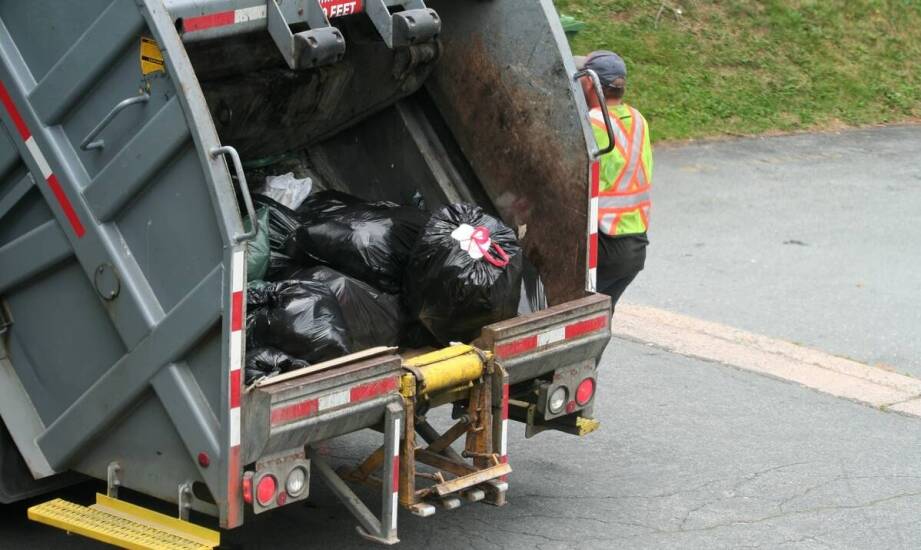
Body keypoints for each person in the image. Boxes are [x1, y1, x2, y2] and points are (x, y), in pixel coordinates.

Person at [576, 51, 652, 308]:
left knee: (570, 315)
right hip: (635, 247)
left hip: (603, 244)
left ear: (589, 82)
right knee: (598, 318)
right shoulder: (638, 119)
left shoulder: (591, 123)